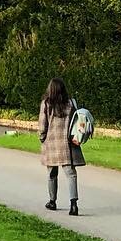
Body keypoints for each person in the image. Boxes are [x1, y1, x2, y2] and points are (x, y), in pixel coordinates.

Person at [38, 76, 85, 216]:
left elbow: (42, 125)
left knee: (51, 174)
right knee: (71, 174)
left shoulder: (46, 104)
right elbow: (77, 122)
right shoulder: (70, 103)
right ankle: (74, 204)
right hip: (68, 144)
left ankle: (52, 201)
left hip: (51, 143)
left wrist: (42, 138)